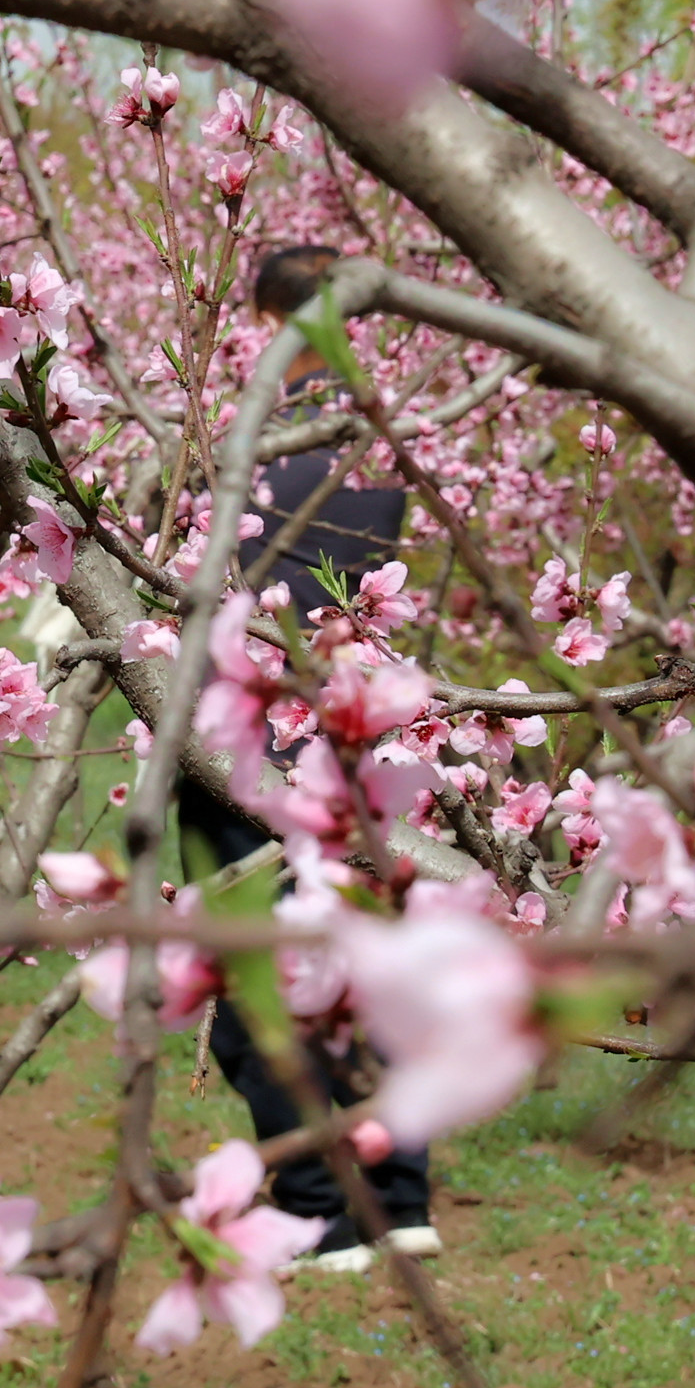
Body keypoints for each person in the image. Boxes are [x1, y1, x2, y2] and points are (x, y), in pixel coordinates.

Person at [184, 243, 439, 1273]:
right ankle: (401, 1195)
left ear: (265, 321)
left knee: (258, 985)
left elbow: (218, 582)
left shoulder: (262, 438)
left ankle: (317, 1208)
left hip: (250, 740)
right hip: (359, 745)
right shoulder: (385, 435)